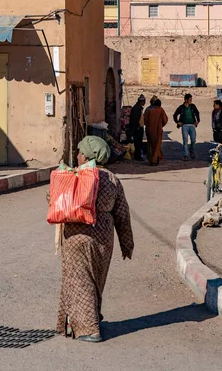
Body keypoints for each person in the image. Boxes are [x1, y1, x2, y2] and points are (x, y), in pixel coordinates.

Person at [56, 136, 134, 343]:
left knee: (80, 281)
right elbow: (122, 214)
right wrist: (127, 245)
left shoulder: (75, 175)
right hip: (104, 237)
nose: (77, 155)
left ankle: (89, 329)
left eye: (80, 152)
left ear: (87, 156)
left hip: (77, 236)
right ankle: (88, 320)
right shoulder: (112, 179)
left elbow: (55, 199)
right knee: (95, 281)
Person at [173, 93, 200, 161]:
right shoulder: (181, 107)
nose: (191, 101)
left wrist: (197, 121)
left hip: (192, 125)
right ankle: (185, 155)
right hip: (184, 126)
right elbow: (175, 115)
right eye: (190, 99)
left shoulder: (193, 106)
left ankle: (191, 151)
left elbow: (197, 113)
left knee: (193, 140)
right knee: (185, 141)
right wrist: (177, 122)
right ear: (186, 100)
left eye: (191, 99)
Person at [144, 98, 168, 165]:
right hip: (158, 130)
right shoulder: (161, 110)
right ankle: (154, 160)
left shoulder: (149, 111)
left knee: (151, 145)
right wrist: (161, 125)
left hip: (149, 130)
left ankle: (151, 159)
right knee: (157, 145)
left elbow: (145, 120)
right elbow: (165, 120)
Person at [128, 95, 146, 161]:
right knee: (138, 143)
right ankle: (137, 156)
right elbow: (135, 120)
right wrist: (137, 127)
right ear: (141, 102)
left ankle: (137, 155)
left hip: (138, 127)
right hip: (137, 128)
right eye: (144, 101)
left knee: (138, 142)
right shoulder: (136, 108)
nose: (144, 103)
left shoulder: (138, 108)